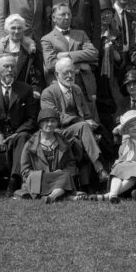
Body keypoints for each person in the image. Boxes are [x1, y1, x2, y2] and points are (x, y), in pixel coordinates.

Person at [40, 56, 108, 187]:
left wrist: (90, 122)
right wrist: (82, 121)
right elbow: (54, 117)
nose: (70, 76)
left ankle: (86, 185)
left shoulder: (76, 89)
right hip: (58, 130)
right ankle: (100, 168)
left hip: (80, 132)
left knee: (81, 138)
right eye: (66, 73)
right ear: (56, 74)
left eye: (72, 72)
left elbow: (87, 114)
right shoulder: (48, 93)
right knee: (83, 126)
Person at [0, 52, 38, 195]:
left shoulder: (26, 89)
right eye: (6, 66)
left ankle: (14, 180)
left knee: (23, 137)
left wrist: (17, 133)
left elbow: (32, 118)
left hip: (17, 133)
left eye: (12, 66)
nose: (10, 70)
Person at [16, 109, 82, 203]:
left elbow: (71, 163)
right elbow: (25, 170)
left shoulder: (63, 142)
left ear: (57, 123)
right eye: (46, 121)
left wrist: (63, 171)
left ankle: (51, 197)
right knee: (57, 179)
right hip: (39, 179)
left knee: (66, 176)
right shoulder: (30, 144)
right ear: (40, 124)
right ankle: (62, 195)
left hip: (59, 177)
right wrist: (40, 175)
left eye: (53, 121)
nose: (50, 124)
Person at [40, 2, 100, 102]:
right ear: (54, 18)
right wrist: (80, 65)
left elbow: (93, 53)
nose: (67, 17)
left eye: (69, 14)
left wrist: (68, 55)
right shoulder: (47, 39)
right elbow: (50, 64)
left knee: (89, 115)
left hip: (85, 84)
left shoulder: (81, 34)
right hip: (61, 86)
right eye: (63, 14)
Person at [0, 13, 44, 92]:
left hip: (25, 91)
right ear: (7, 30)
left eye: (19, 28)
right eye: (13, 28)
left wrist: (35, 90)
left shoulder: (31, 49)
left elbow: (37, 74)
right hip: (2, 92)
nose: (16, 31)